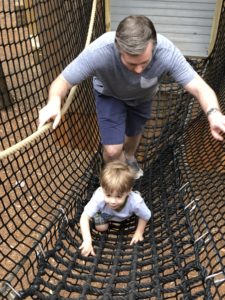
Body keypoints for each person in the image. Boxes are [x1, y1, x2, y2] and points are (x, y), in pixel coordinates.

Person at [38, 15, 225, 178]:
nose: (138, 70)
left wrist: (214, 113)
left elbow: (201, 88)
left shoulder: (167, 53)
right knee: (112, 151)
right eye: (131, 63)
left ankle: (129, 157)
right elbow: (62, 82)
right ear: (118, 49)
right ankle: (115, 183)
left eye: (144, 62)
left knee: (134, 133)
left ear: (154, 47)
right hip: (110, 94)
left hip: (142, 97)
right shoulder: (100, 51)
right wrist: (54, 102)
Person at [79, 160, 151, 256]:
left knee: (137, 206)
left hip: (127, 215)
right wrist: (87, 241)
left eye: (118, 196)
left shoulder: (136, 202)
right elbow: (84, 216)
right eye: (108, 195)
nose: (112, 201)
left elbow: (146, 215)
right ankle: (100, 213)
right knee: (101, 228)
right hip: (106, 214)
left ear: (128, 191)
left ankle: (136, 194)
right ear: (102, 188)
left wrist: (139, 232)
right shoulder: (100, 195)